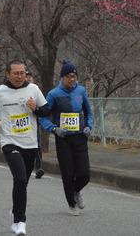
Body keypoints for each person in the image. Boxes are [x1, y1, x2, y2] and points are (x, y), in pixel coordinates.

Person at [0, 60, 49, 236]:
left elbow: (47, 111)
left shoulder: (33, 89)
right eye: (16, 73)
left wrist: (35, 108)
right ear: (8, 74)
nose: (20, 76)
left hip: (30, 143)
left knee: (23, 182)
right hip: (9, 141)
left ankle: (16, 209)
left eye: (22, 73)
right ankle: (19, 222)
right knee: (20, 179)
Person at [40, 60, 93, 216]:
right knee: (68, 173)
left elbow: (89, 112)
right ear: (62, 77)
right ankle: (71, 203)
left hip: (80, 137)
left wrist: (89, 126)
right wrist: (54, 129)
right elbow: (43, 117)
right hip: (63, 139)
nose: (72, 79)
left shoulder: (81, 91)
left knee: (84, 174)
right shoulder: (53, 94)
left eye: (74, 76)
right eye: (69, 76)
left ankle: (76, 191)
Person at [26, 70, 45, 180]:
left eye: (30, 76)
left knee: (37, 145)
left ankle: (39, 168)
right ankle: (24, 166)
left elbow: (43, 108)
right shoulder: (16, 91)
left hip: (34, 122)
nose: (28, 78)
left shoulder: (35, 90)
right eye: (26, 76)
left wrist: (36, 108)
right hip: (20, 125)